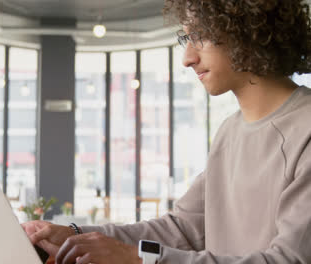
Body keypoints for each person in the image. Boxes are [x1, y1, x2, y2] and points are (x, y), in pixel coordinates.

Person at [22, 0, 311, 263]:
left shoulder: (305, 129)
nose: (187, 58)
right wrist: (73, 234)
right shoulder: (229, 132)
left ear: (249, 30)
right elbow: (181, 228)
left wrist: (141, 260)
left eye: (199, 35)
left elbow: (289, 259)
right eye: (187, 38)